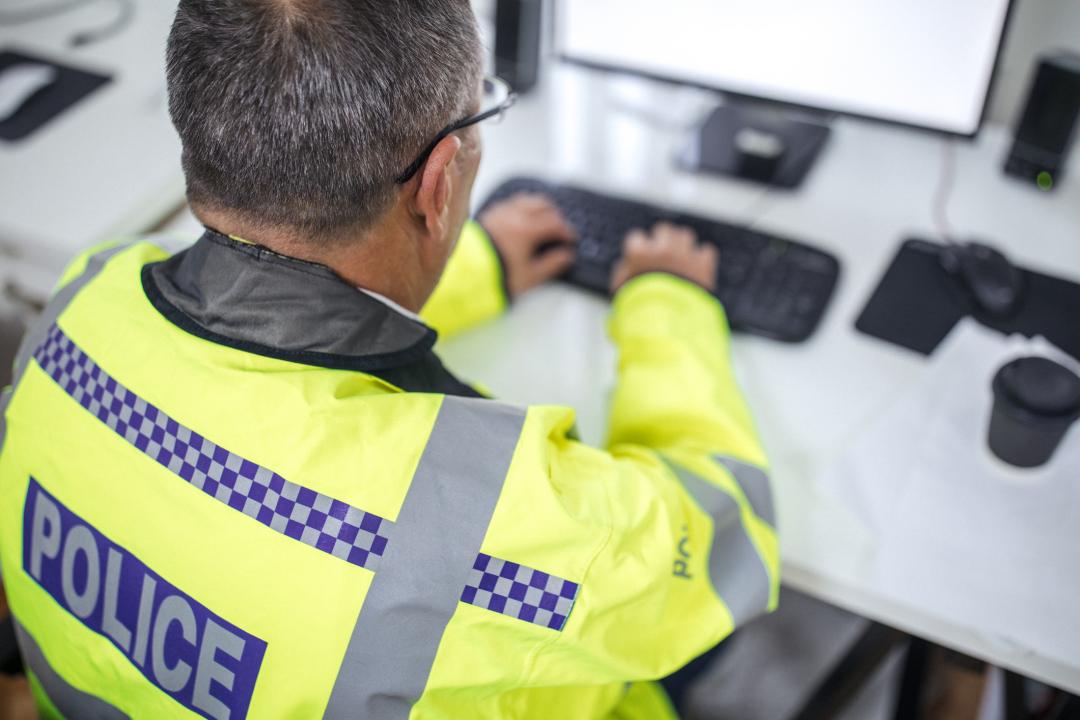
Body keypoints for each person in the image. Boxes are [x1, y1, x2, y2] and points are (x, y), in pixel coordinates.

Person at [0, 0, 778, 717]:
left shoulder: (83, 299)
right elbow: (728, 530)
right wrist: (668, 304)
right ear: (439, 185)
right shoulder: (478, 524)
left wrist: (473, 270)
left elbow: (268, 296)